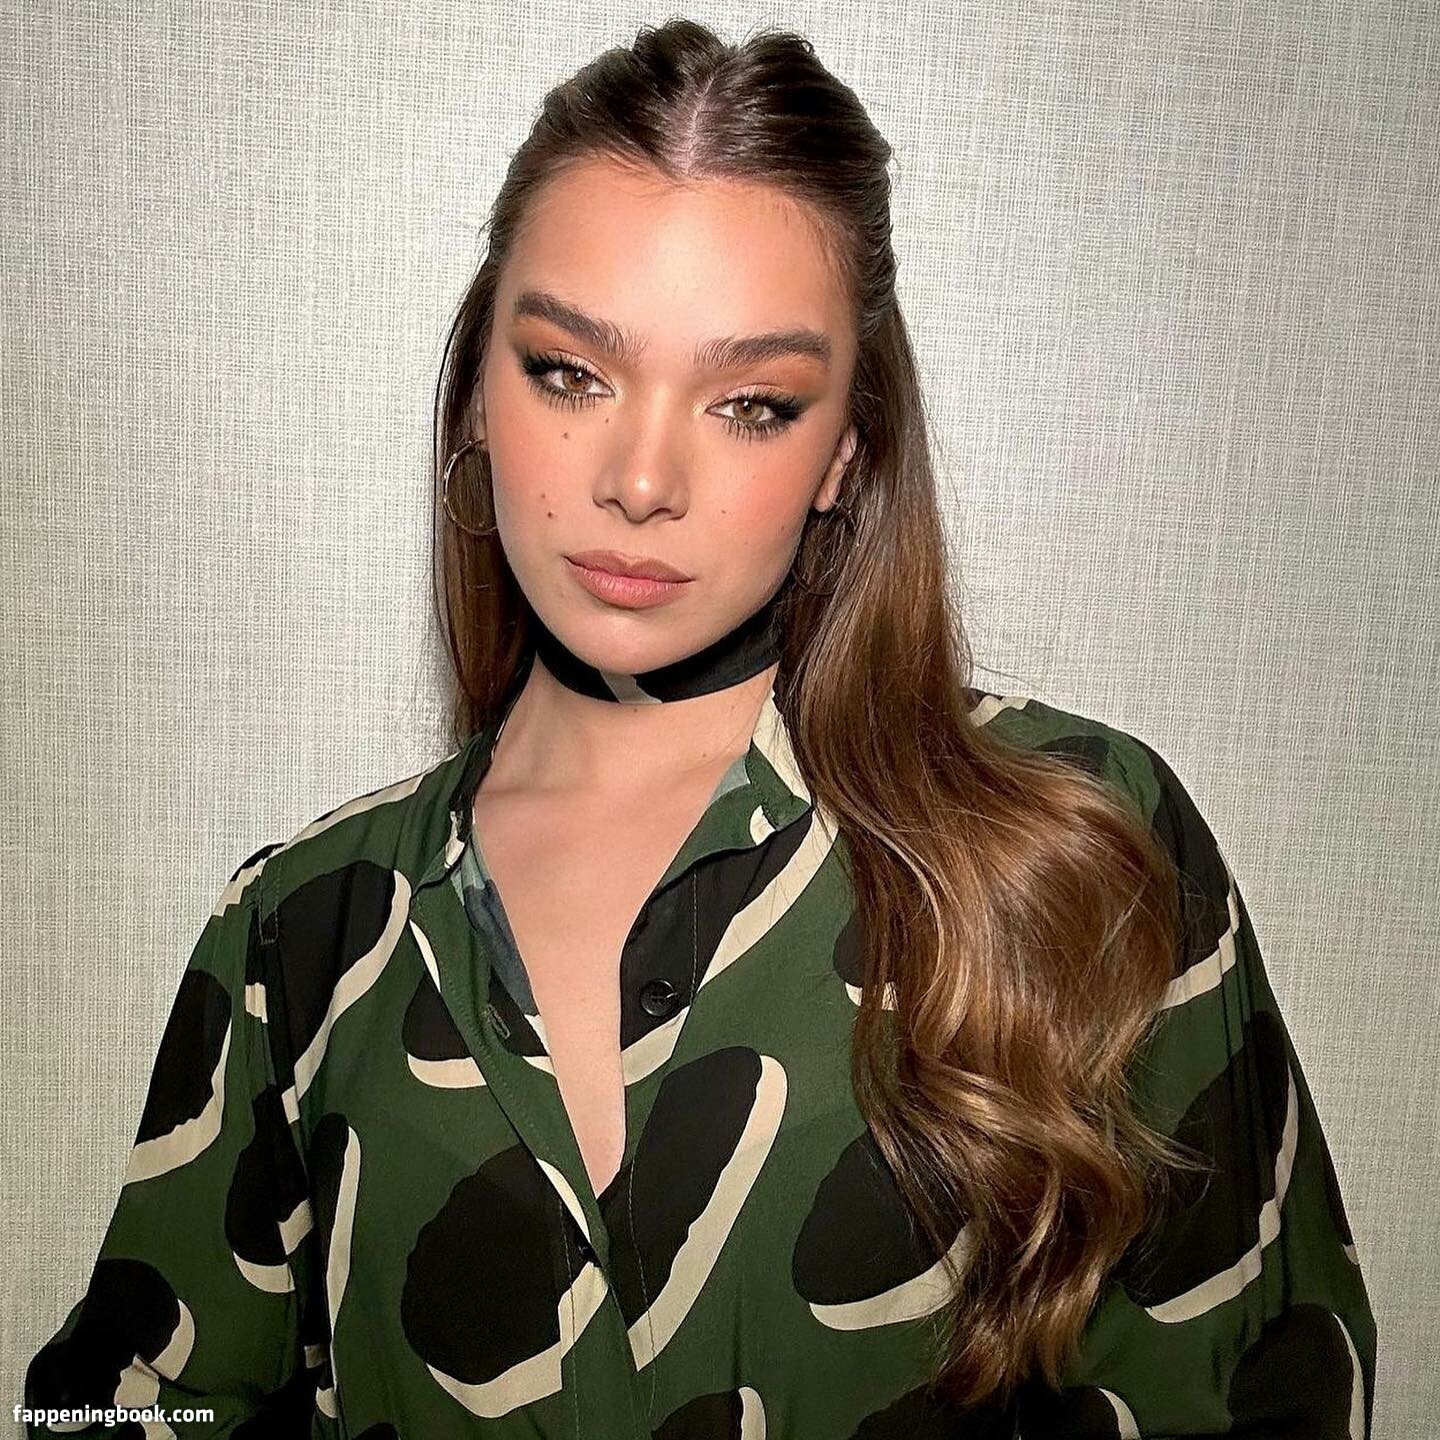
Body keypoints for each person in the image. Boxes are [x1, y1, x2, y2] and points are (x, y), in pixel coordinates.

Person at [23, 18, 1376, 1440]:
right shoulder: (304, 929)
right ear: (477, 391)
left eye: (751, 404)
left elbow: (1267, 1384)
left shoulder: (1077, 851)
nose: (642, 477)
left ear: (845, 451)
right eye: (569, 372)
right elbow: (124, 1403)